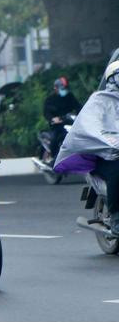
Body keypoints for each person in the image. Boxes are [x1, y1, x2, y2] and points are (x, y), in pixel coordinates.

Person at [55, 60, 119, 234]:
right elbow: (90, 126)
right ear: (113, 79)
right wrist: (111, 142)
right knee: (117, 171)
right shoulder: (99, 100)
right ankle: (116, 218)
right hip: (106, 156)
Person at [43, 76, 82, 160]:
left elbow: (78, 107)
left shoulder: (70, 96)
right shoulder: (50, 100)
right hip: (57, 125)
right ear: (55, 88)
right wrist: (53, 119)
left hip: (70, 122)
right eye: (61, 88)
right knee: (55, 139)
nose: (64, 90)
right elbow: (46, 112)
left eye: (65, 88)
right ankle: (53, 158)